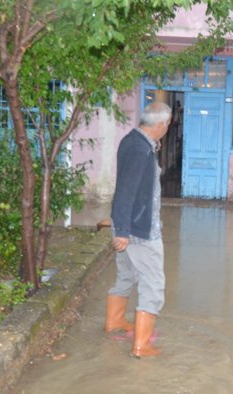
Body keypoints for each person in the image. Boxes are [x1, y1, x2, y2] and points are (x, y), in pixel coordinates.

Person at [105, 101, 171, 358]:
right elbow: (126, 190)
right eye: (167, 124)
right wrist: (122, 230)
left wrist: (120, 225)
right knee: (153, 283)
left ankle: (115, 322)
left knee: (126, 276)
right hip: (139, 230)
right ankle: (142, 346)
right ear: (161, 125)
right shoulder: (140, 151)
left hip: (127, 224)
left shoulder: (134, 141)